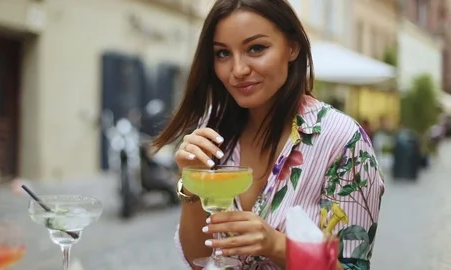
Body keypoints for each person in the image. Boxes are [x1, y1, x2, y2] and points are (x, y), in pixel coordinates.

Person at [152, 0, 385, 269]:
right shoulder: (214, 132)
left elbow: (351, 267)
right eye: (223, 54)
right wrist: (191, 181)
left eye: (256, 48)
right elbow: (197, 261)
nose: (238, 70)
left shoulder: (342, 140)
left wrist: (275, 245)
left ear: (292, 47)